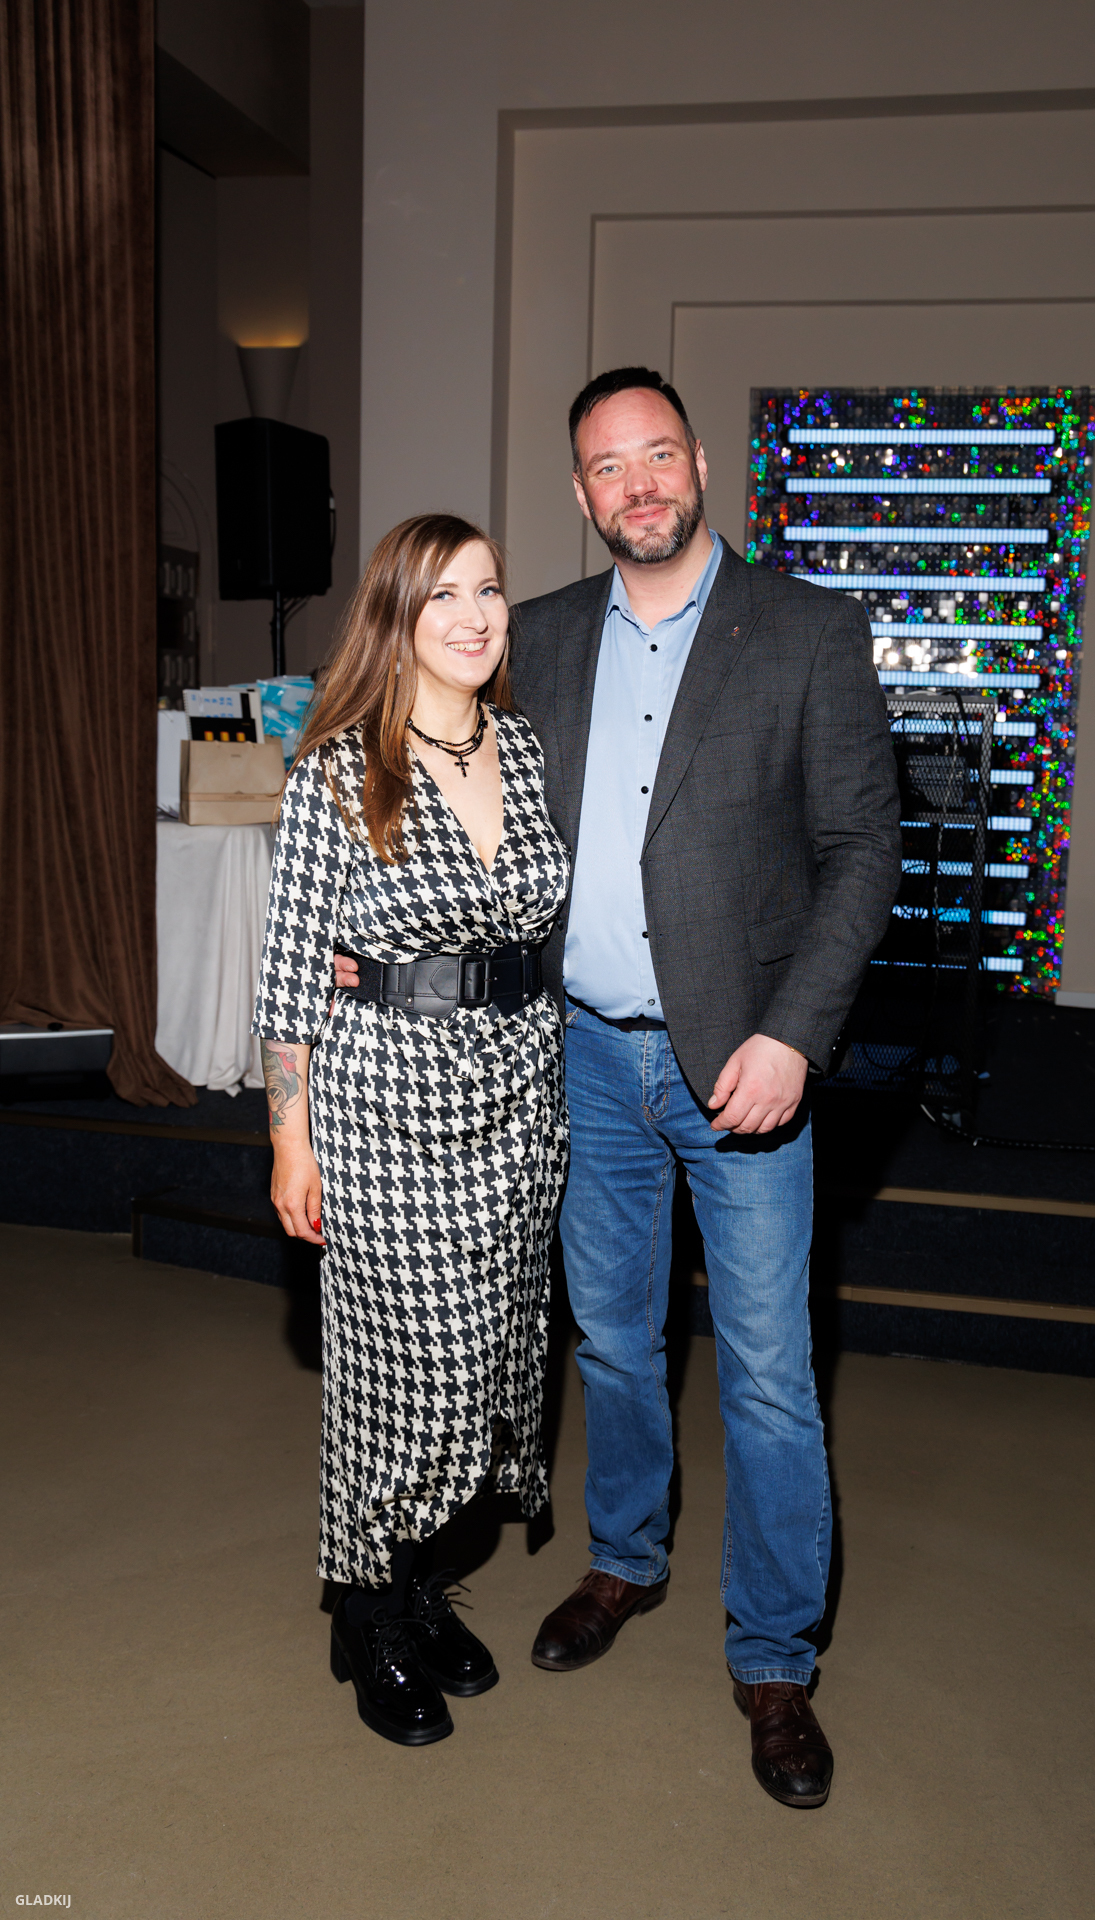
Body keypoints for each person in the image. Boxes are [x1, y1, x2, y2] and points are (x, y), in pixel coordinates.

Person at [340, 369, 901, 1806]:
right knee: (610, 1342)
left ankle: (772, 1659)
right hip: (577, 1058)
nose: (637, 482)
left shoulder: (808, 631)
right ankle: (624, 1561)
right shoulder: (532, 636)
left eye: (657, 454)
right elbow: (430, 768)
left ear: (699, 462)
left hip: (742, 1063)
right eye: (607, 465)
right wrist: (365, 919)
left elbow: (862, 853)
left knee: (768, 1376)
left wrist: (794, 1035)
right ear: (580, 492)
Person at [254, 513, 570, 1749]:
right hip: (387, 1105)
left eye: (488, 590)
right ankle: (367, 1611)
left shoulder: (525, 748)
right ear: (394, 616)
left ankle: (419, 1582)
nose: (474, 616)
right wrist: (291, 1142)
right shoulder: (339, 769)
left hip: (518, 1095)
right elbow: (290, 978)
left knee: (487, 1361)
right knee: (402, 1374)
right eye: (442, 595)